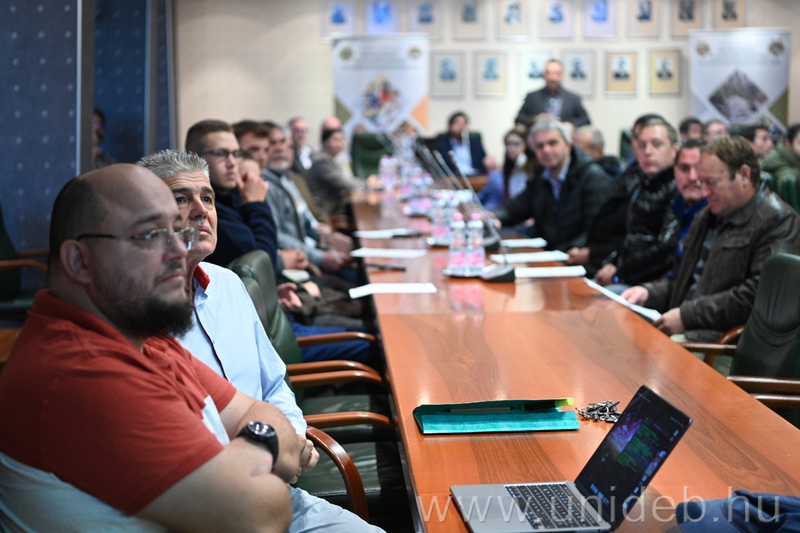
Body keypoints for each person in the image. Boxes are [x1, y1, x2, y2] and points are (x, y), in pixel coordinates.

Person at [0, 164, 298, 532]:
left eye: (177, 231)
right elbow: (260, 516)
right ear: (79, 261)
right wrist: (262, 446)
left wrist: (245, 452)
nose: (179, 250)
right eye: (151, 236)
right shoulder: (81, 371)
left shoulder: (145, 337)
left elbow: (260, 413)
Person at [135, 152, 384, 533]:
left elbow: (274, 384)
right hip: (205, 509)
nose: (201, 210)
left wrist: (294, 435)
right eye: (181, 198)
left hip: (280, 487)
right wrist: (275, 448)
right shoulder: (135, 317)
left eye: (208, 198)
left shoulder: (229, 284)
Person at [622, 136, 800, 342]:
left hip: (720, 342)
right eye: (702, 182)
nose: (704, 192)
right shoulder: (707, 216)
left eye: (711, 183)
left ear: (744, 175)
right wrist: (648, 293)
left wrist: (686, 316)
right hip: (686, 329)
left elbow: (759, 297)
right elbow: (682, 283)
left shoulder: (778, 220)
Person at [567, 114, 665, 276]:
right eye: (640, 141)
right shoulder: (631, 176)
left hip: (633, 272)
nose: (647, 150)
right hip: (607, 260)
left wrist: (613, 268)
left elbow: (652, 244)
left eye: (656, 143)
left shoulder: (667, 186)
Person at [492, 119, 609, 251]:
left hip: (575, 254)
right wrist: (494, 216)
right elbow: (519, 206)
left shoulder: (592, 176)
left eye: (552, 143)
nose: (546, 150)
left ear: (568, 145)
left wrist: (568, 251)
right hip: (550, 252)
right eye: (540, 146)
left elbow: (597, 229)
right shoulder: (541, 175)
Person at [594, 119, 680, 290]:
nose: (647, 152)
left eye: (657, 144)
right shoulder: (639, 182)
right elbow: (628, 236)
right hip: (627, 274)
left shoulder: (678, 188)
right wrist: (610, 263)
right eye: (642, 146)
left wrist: (619, 273)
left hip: (654, 284)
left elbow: (665, 249)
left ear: (675, 150)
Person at [186, 119, 278, 269]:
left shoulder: (233, 194)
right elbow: (262, 267)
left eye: (236, 154)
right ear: (194, 159)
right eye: (221, 153)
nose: (232, 162)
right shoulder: (203, 210)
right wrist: (256, 204)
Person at [307, 127, 366, 216]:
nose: (340, 144)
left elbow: (348, 178)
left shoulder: (334, 158)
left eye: (342, 140)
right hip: (327, 209)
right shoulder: (322, 160)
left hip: (335, 204)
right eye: (336, 140)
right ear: (325, 142)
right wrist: (367, 184)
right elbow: (344, 183)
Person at [515, 59, 591, 127]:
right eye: (549, 73)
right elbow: (519, 119)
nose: (552, 78)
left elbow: (585, 120)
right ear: (544, 75)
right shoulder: (532, 97)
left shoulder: (573, 98)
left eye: (555, 73)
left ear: (561, 76)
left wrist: (565, 122)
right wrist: (537, 119)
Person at [669, 138, 708, 267]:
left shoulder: (718, 216)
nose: (692, 177)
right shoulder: (671, 208)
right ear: (675, 173)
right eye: (684, 168)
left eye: (699, 168)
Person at [477, 129, 529, 211]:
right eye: (508, 144)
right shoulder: (510, 167)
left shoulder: (527, 165)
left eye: (516, 144)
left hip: (521, 211)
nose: (511, 148)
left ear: (526, 145)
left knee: (494, 177)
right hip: (511, 208)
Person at [434, 111, 493, 176]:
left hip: (475, 176)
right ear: (450, 126)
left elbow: (483, 160)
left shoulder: (475, 142)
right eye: (458, 124)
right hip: (454, 177)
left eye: (463, 124)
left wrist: (489, 162)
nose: (461, 127)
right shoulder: (443, 144)